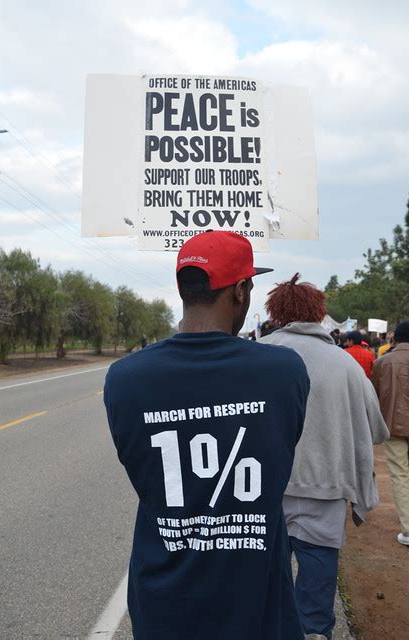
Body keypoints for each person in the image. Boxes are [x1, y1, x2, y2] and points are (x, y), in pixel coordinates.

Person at [104, 231, 310, 640]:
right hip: (256, 600)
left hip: (165, 599)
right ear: (240, 291)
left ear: (184, 289)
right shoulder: (284, 371)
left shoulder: (124, 379)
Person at [260, 273, 389, 640]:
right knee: (316, 587)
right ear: (319, 314)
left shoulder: (258, 356)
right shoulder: (345, 364)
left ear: (275, 312)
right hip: (325, 488)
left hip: (265, 488)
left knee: (268, 583)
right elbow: (376, 430)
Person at [371, 321, 409, 546]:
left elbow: (374, 395)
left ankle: (408, 528)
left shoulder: (382, 363)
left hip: (393, 425)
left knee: (400, 475)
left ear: (396, 339)